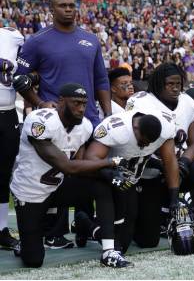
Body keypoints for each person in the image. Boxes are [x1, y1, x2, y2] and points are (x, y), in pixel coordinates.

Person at [10, 83, 128, 268]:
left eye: (84, 103)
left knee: (102, 185)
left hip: (57, 187)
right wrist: (111, 163)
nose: (81, 109)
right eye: (76, 103)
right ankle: (25, 243)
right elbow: (68, 167)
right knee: (33, 260)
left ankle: (108, 250)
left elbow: (81, 166)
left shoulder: (85, 127)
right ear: (61, 102)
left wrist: (107, 173)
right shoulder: (40, 121)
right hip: (30, 192)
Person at [124, 63, 194, 247]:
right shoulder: (141, 101)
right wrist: (163, 166)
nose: (176, 88)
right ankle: (155, 217)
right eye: (171, 84)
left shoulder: (187, 102)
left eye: (179, 83)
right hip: (151, 171)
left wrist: (184, 162)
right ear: (159, 83)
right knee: (147, 241)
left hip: (178, 168)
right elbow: (134, 142)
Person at [83, 108, 179, 254]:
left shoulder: (166, 129)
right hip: (108, 178)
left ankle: (94, 228)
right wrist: (111, 174)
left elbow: (170, 161)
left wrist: (174, 198)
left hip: (132, 181)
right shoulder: (116, 128)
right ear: (135, 127)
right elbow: (89, 159)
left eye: (150, 143)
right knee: (119, 246)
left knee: (141, 242)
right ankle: (87, 224)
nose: (145, 146)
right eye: (143, 141)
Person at [13, 0, 111, 126]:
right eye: (63, 5)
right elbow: (19, 78)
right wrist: (41, 104)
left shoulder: (91, 39)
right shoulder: (36, 41)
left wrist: (108, 114)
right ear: (52, 11)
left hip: (89, 119)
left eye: (71, 5)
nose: (68, 9)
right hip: (54, 119)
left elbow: (101, 80)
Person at [0, 26, 23, 251]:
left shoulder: (12, 36)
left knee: (3, 174)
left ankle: (1, 229)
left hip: (7, 113)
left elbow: (30, 66)